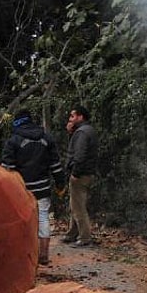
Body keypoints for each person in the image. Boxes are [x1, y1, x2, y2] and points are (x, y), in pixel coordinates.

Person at [0, 109, 65, 265]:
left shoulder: (13, 141)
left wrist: (4, 190)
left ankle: (22, 255)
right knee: (42, 217)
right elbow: (55, 165)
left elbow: (7, 168)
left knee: (20, 220)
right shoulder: (46, 139)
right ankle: (43, 254)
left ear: (17, 122)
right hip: (42, 188)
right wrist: (60, 183)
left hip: (20, 190)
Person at [62, 105, 98, 246]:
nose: (70, 119)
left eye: (72, 116)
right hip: (86, 173)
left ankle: (85, 237)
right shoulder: (85, 131)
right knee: (75, 204)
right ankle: (72, 233)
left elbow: (80, 155)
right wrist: (71, 133)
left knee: (78, 207)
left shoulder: (82, 133)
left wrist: (75, 173)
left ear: (80, 117)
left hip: (81, 174)